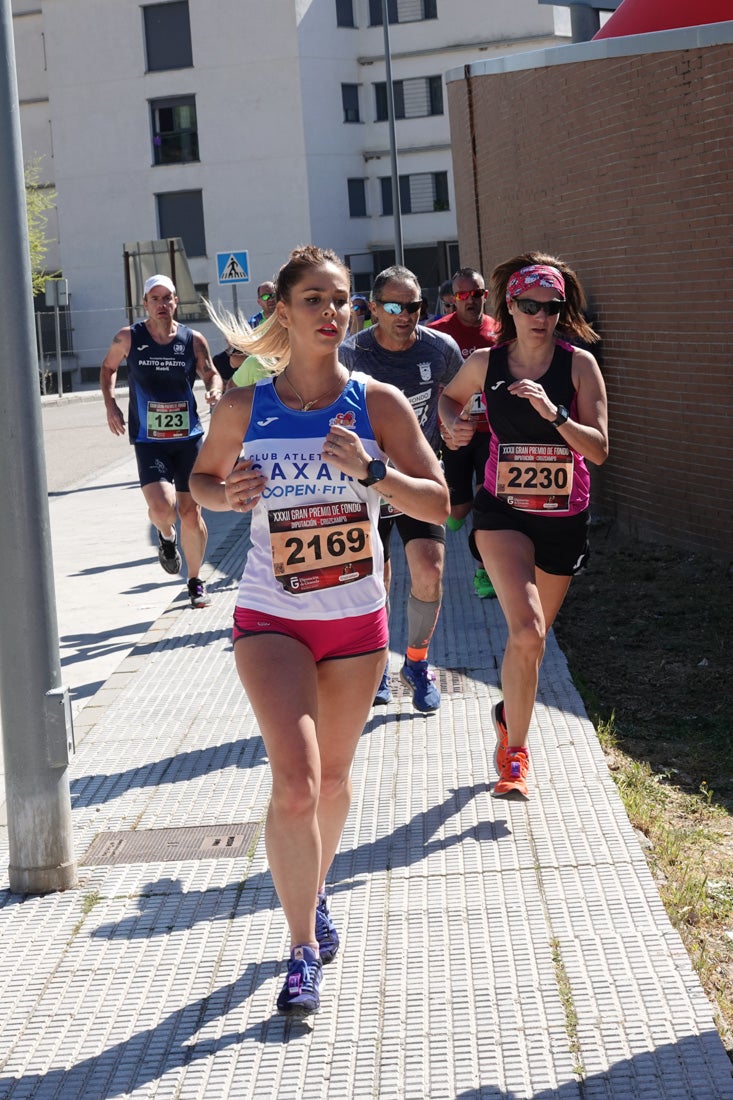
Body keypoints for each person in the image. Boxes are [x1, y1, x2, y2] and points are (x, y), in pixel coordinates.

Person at [189, 245, 448, 1018]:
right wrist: (226, 494)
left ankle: (317, 888)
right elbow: (199, 480)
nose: (332, 313)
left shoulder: (377, 404)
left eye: (341, 301)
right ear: (285, 312)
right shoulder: (244, 404)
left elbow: (437, 504)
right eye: (315, 300)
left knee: (333, 783)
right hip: (271, 616)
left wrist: (372, 473)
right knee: (297, 784)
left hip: (356, 623)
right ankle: (301, 948)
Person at [438, 253, 608, 799]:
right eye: (530, 305)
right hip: (503, 511)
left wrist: (556, 414)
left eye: (552, 307)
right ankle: (516, 758)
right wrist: (453, 430)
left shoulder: (579, 365)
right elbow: (448, 399)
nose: (541, 315)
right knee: (526, 630)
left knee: (531, 646)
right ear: (510, 306)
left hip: (564, 517)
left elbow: (600, 450)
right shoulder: (488, 361)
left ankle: (507, 719)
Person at [340, 265, 463, 712]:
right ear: (372, 308)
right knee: (378, 579)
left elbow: (456, 396)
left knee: (429, 570)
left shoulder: (440, 349)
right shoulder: (351, 355)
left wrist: (452, 424)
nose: (405, 314)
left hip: (417, 480)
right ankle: (376, 669)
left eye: (413, 306)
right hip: (367, 484)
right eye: (393, 306)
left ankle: (416, 661)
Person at [100, 273, 222, 608]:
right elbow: (108, 368)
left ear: (175, 301)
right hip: (149, 439)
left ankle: (196, 582)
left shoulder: (192, 339)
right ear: (145, 304)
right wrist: (110, 405)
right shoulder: (129, 337)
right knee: (162, 509)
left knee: (190, 512)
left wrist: (214, 387)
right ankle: (166, 538)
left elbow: (210, 371)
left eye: (167, 298)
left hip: (188, 439)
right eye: (155, 299)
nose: (161, 304)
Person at [429, 267, 499, 598]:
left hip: (492, 432)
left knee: (489, 498)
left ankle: (484, 570)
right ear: (452, 299)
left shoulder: (500, 332)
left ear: (485, 295)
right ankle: (454, 515)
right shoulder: (438, 335)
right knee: (459, 508)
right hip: (454, 431)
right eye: (462, 295)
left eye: (476, 294)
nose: (470, 301)